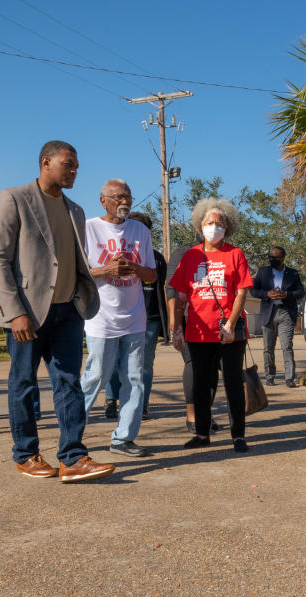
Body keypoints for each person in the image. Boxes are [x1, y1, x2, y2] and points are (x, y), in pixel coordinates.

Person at [0, 140, 114, 482]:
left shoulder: (74, 210)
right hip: (27, 313)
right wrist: (15, 311)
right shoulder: (13, 199)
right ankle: (26, 454)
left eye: (76, 166)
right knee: (24, 383)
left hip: (67, 312)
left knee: (69, 383)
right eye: (68, 164)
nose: (74, 171)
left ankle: (72, 457)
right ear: (46, 162)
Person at [168, 197, 252, 452]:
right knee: (202, 385)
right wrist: (176, 330)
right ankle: (202, 434)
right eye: (209, 222)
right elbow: (181, 295)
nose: (214, 226)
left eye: (220, 223)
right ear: (200, 224)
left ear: (228, 227)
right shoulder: (191, 256)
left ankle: (238, 435)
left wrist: (230, 323)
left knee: (233, 384)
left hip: (230, 332)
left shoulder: (235, 254)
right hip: (198, 332)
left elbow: (241, 292)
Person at [80, 181, 157, 457]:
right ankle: (72, 434)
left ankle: (123, 438)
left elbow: (152, 275)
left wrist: (133, 267)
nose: (125, 201)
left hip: (135, 318)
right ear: (103, 201)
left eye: (128, 196)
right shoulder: (88, 228)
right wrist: (107, 269)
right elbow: (79, 273)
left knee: (134, 379)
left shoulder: (140, 230)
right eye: (118, 196)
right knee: (96, 376)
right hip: (100, 317)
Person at [104, 212, 168, 422]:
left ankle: (142, 404)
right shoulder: (114, 256)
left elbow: (159, 286)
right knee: (113, 361)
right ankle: (111, 400)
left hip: (149, 318)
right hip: (117, 316)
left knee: (144, 365)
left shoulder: (156, 258)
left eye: (141, 229)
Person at [250, 245, 305, 387]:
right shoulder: (263, 272)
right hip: (268, 312)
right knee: (268, 347)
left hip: (286, 312)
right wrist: (267, 294)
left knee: (287, 346)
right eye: (271, 257)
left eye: (276, 258)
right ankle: (270, 375)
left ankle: (289, 378)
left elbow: (300, 292)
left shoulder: (292, 274)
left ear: (283, 258)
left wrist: (287, 294)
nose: (272, 260)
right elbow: (254, 290)